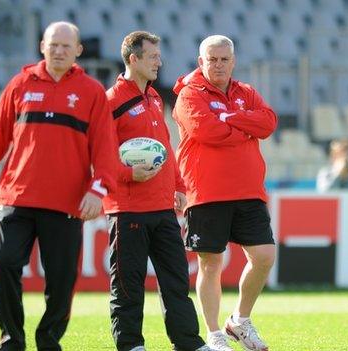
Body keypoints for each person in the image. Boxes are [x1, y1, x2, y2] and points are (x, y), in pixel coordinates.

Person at [0, 22, 117, 350]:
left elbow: (105, 148)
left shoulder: (92, 92)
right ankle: (11, 339)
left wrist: (98, 190)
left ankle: (48, 340)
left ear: (78, 51)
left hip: (67, 204)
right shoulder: (20, 84)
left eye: (65, 46)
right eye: (53, 45)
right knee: (3, 262)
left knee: (61, 281)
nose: (59, 51)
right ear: (42, 46)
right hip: (16, 198)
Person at [104, 31, 211, 351]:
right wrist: (127, 173)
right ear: (133, 59)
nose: (159, 62)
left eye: (158, 56)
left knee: (177, 282)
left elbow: (164, 147)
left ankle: (188, 343)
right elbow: (99, 154)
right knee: (127, 286)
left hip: (163, 207)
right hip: (127, 209)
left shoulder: (153, 98)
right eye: (152, 57)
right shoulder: (110, 101)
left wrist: (178, 186)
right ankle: (131, 345)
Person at [172, 35, 277, 351]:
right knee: (210, 262)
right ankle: (215, 332)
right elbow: (207, 131)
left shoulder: (247, 92)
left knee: (264, 256)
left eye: (223, 59)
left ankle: (240, 320)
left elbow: (269, 123)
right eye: (211, 59)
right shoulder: (190, 95)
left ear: (233, 61)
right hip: (206, 190)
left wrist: (230, 117)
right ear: (200, 61)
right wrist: (246, 127)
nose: (217, 64)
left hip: (248, 189)